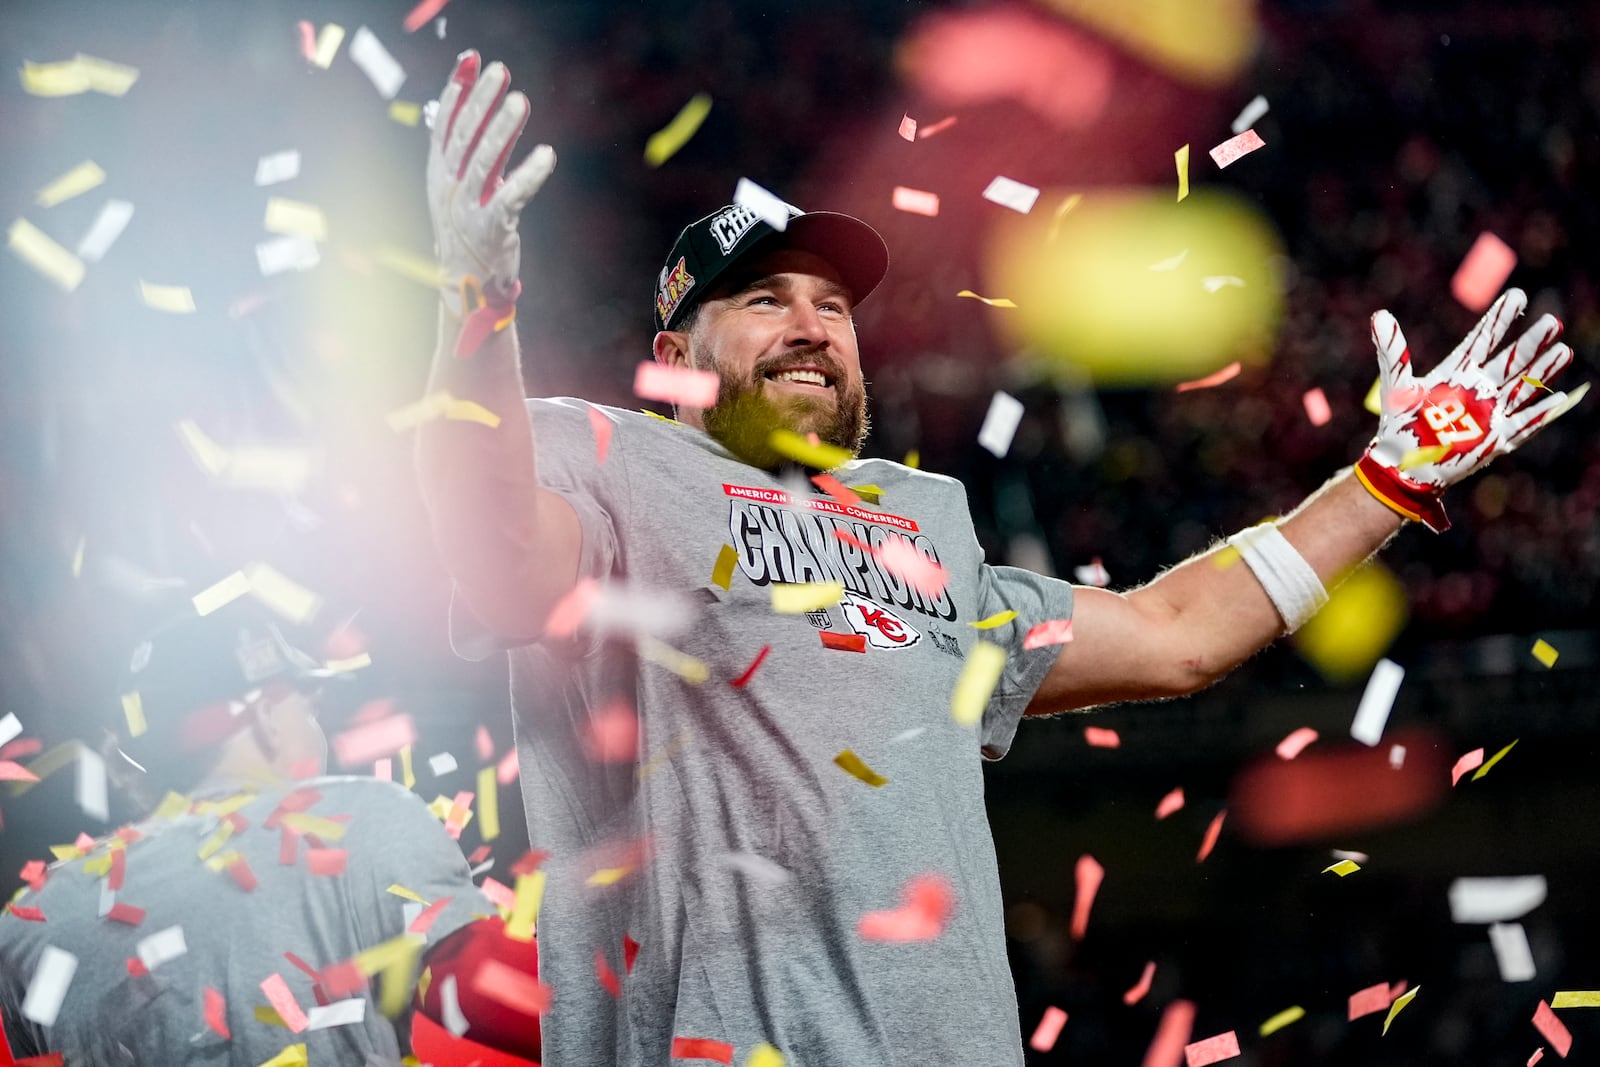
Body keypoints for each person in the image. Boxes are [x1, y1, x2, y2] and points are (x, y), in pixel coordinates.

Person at [413, 51, 1582, 1067]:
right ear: (674, 352)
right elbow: (504, 555)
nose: (812, 322)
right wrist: (478, 308)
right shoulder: (616, 462)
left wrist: (1384, 482)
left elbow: (1177, 636)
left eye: (833, 304)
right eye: (763, 301)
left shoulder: (927, 524)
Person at [0, 603, 543, 1066]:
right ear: (261, 714)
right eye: (308, 703)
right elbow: (504, 998)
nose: (318, 724)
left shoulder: (32, 920)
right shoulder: (353, 819)